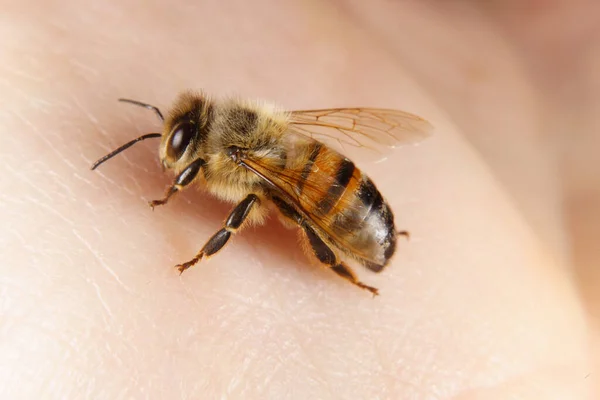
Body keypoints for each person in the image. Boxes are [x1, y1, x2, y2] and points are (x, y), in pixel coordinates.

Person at [1, 0, 595, 398]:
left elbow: (249, 212)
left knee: (304, 211)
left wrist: (184, 231)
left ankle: (349, 271)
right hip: (328, 172)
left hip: (333, 198)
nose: (170, 156)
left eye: (178, 149)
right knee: (299, 196)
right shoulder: (248, 134)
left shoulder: (236, 159)